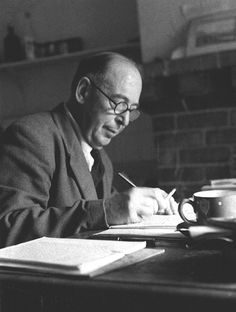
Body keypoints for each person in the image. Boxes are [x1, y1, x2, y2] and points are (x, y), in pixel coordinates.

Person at [0, 51, 177, 247]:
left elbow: (109, 217)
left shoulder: (102, 159)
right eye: (119, 104)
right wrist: (109, 210)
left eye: (131, 109)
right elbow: (8, 228)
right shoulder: (32, 135)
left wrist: (147, 209)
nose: (125, 120)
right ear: (83, 92)